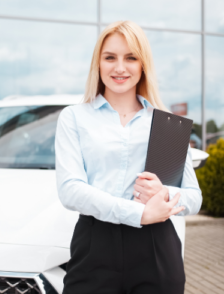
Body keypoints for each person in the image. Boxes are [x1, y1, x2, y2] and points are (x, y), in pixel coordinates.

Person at [55, 20, 202, 294]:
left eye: (131, 58)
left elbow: (193, 196)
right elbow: (70, 190)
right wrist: (139, 213)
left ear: (143, 64)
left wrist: (164, 193)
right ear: (98, 64)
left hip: (157, 247)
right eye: (110, 57)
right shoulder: (74, 117)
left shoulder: (167, 123)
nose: (120, 68)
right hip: (94, 245)